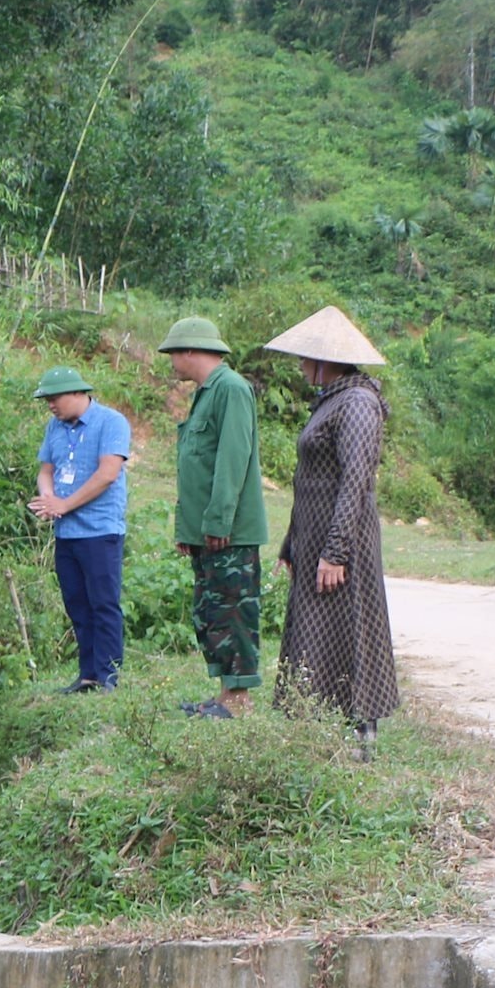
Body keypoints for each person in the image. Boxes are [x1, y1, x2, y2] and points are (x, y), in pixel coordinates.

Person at [264, 307, 400, 760]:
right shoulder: (331, 400)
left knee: (350, 629)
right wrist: (292, 544)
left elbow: (355, 480)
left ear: (329, 361)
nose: (301, 367)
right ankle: (317, 729)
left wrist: (336, 551)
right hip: (315, 539)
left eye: (307, 359)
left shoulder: (358, 402)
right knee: (315, 630)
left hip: (343, 542)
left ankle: (362, 735)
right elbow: (310, 481)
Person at [159, 316, 266, 718]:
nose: (171, 363)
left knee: (234, 611)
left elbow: (232, 461)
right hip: (207, 530)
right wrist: (190, 527)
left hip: (230, 532)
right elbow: (196, 467)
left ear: (191, 351)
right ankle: (225, 695)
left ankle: (240, 701)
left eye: (173, 354)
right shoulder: (207, 393)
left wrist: (219, 521)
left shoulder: (232, 390)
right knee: (211, 611)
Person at [27, 366, 132, 692]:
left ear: (77, 393)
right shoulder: (54, 427)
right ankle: (88, 675)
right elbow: (46, 470)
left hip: (100, 531)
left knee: (103, 604)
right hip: (66, 533)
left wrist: (64, 504)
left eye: (54, 398)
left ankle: (109, 676)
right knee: (77, 604)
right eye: (47, 400)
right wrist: (48, 496)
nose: (51, 406)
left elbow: (107, 474)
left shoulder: (111, 422)